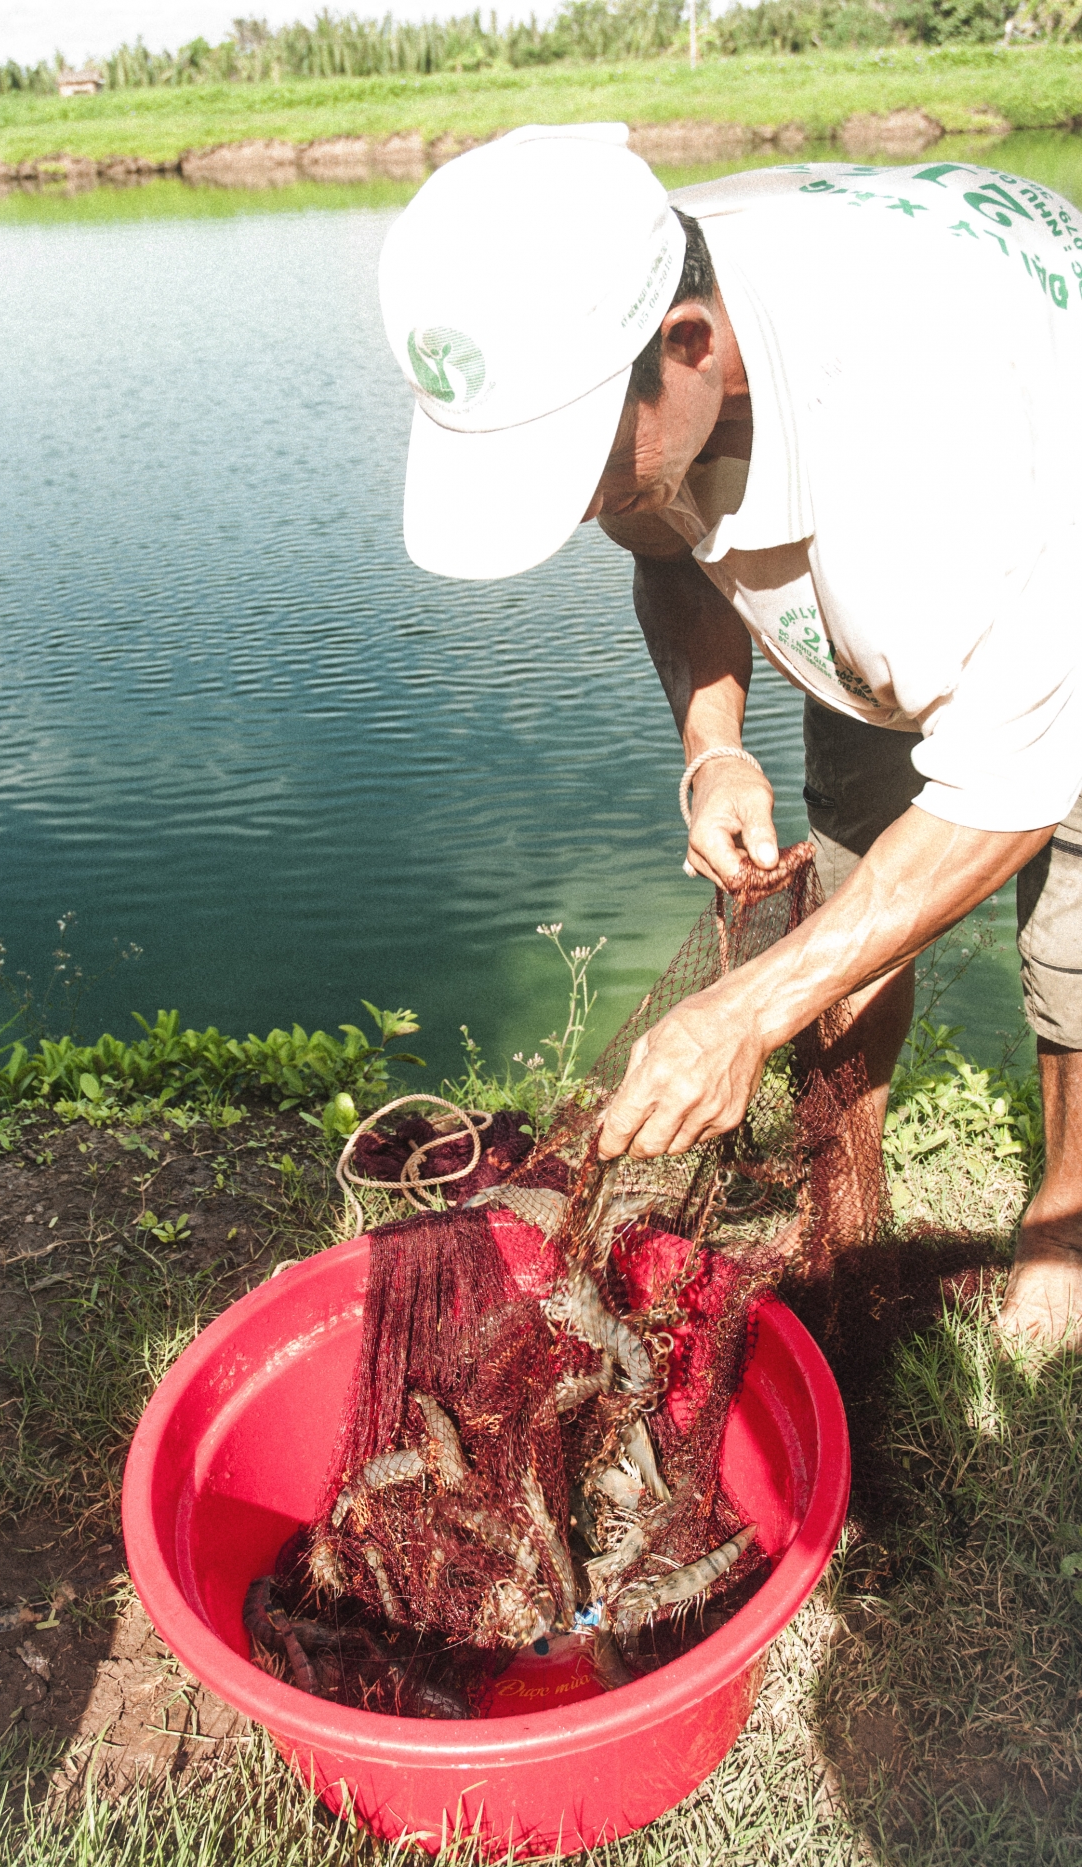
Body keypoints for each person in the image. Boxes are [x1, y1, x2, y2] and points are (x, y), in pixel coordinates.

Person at [378, 124, 1082, 1348]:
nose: (582, 502)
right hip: (877, 598)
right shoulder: (614, 291)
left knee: (1074, 940)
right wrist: (713, 745)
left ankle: (1065, 1227)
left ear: (690, 351)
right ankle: (845, 1207)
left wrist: (735, 1014)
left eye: (580, 468)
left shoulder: (960, 438)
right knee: (845, 911)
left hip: (1041, 557)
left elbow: (1006, 796)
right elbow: (666, 544)